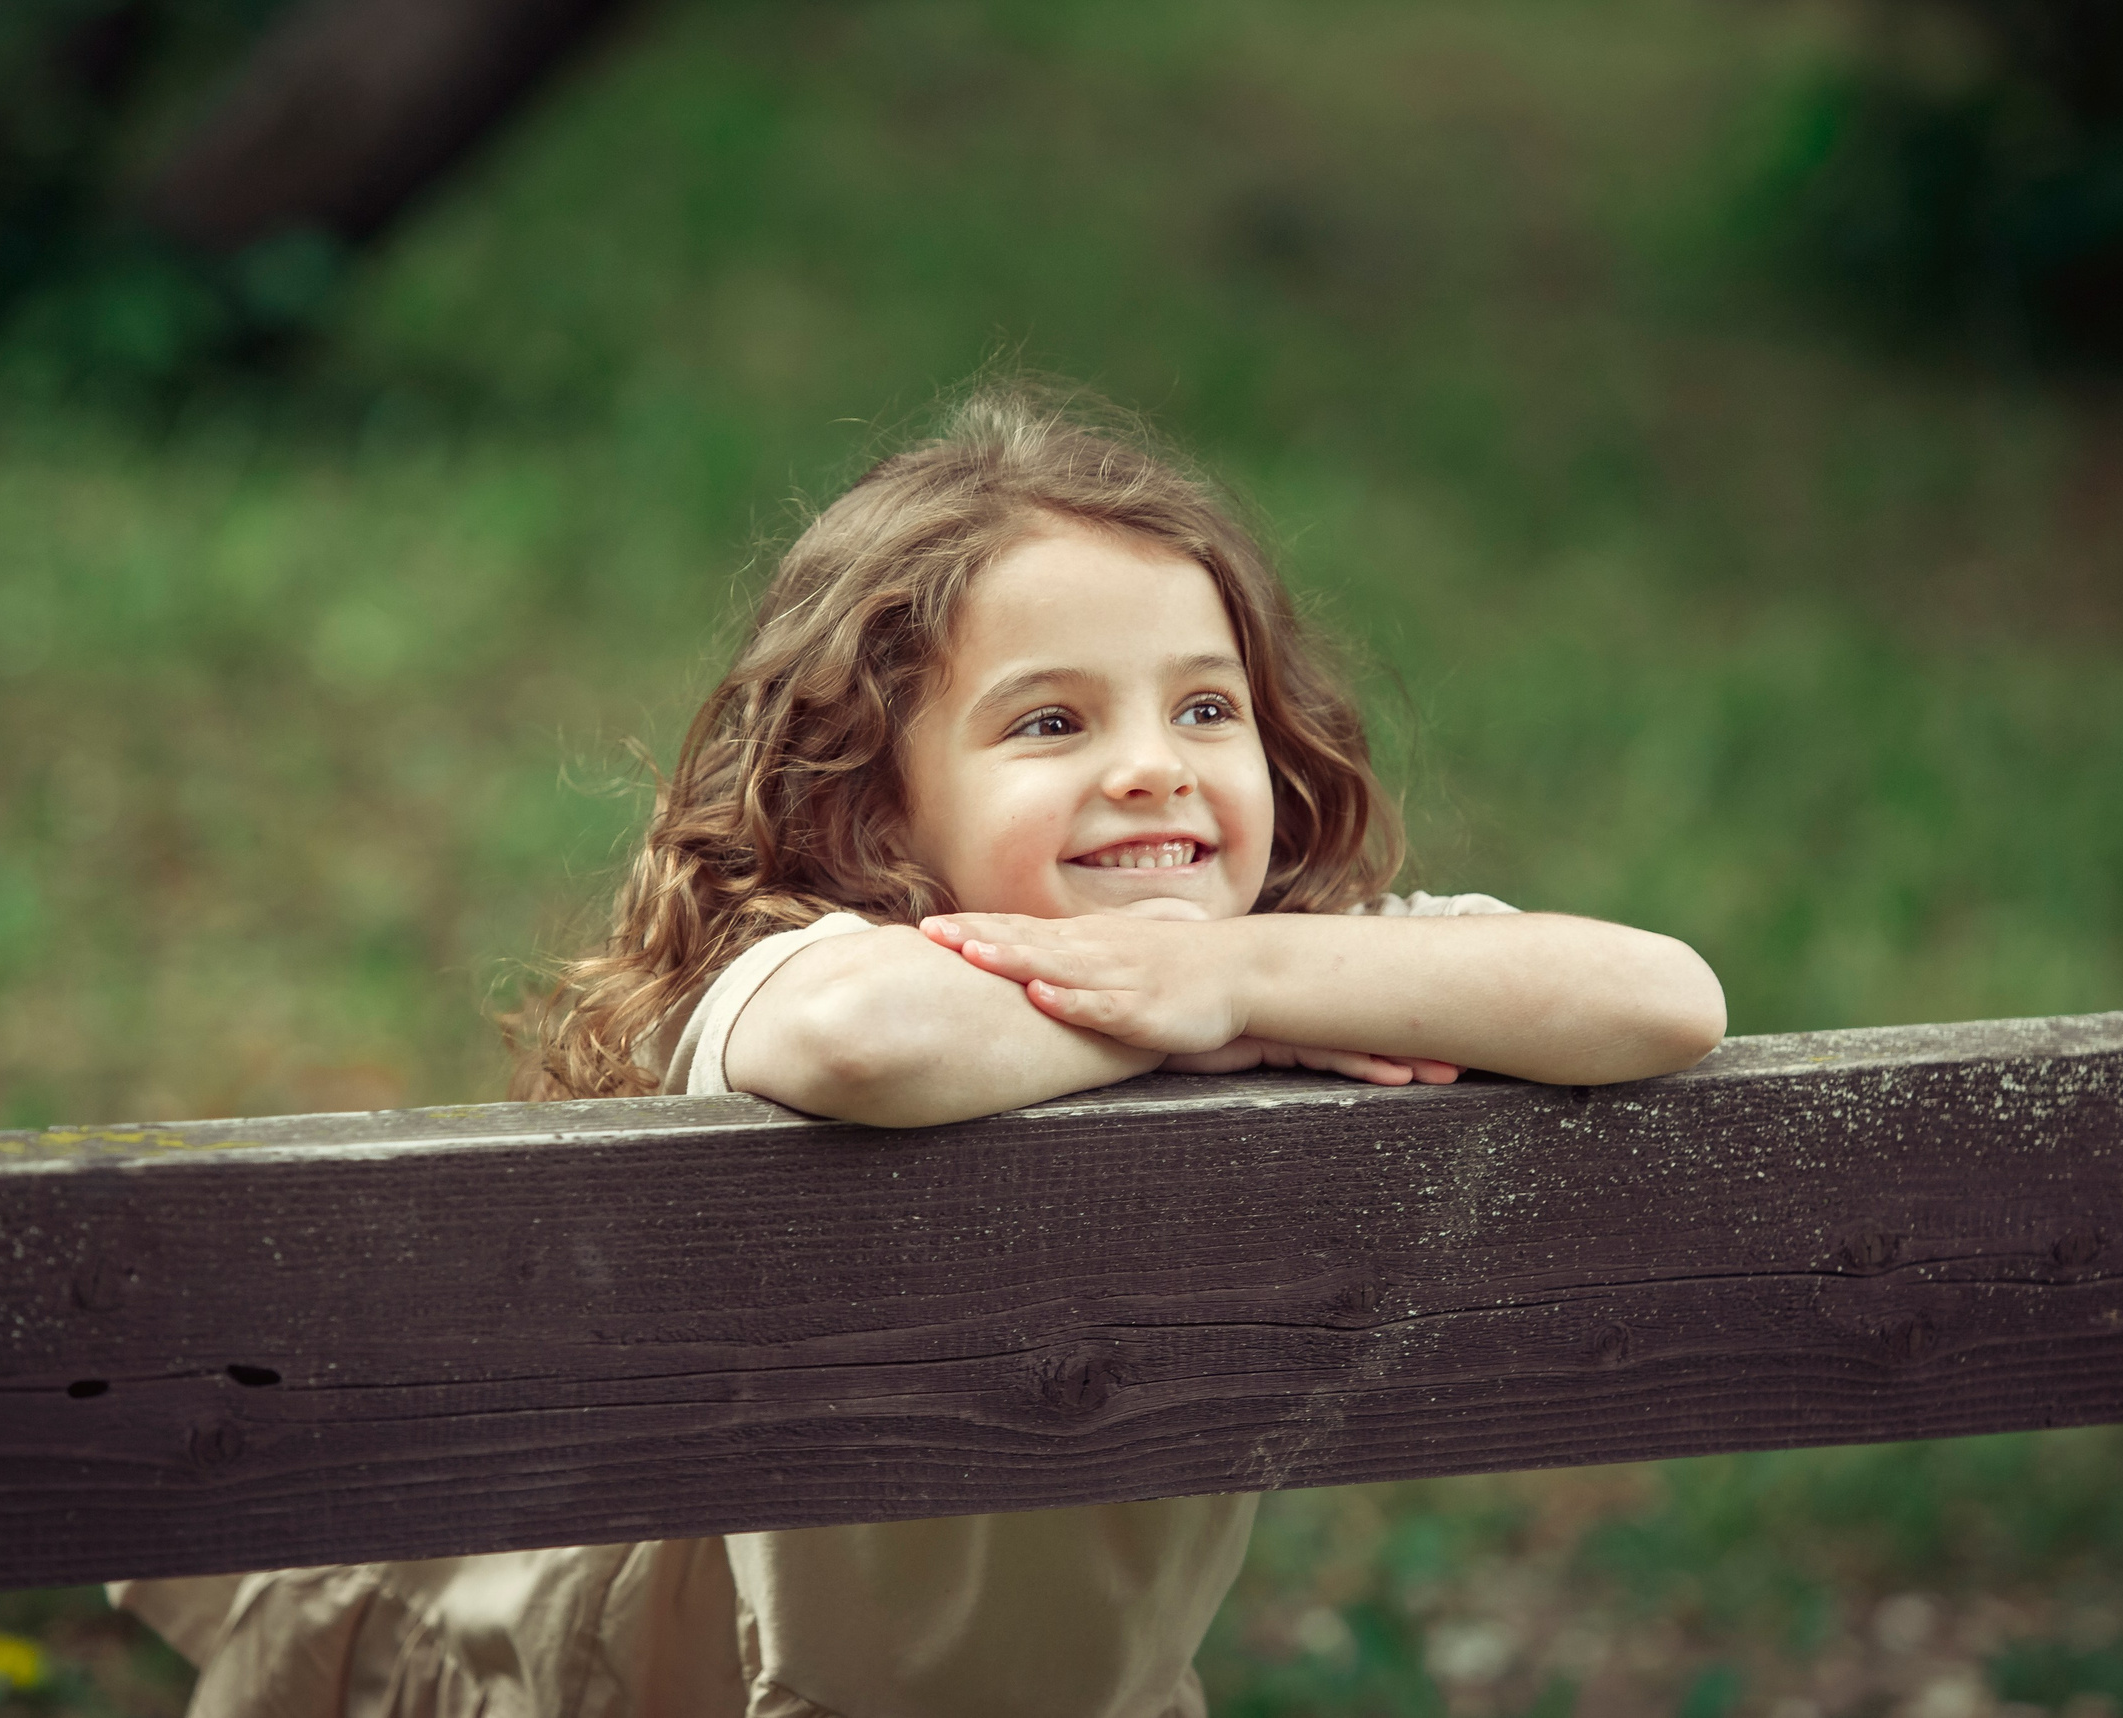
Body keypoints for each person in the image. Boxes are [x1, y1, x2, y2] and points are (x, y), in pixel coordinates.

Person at [112, 383, 1725, 1718]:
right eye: (1050, 722)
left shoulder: (1279, 959)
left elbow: (1662, 996)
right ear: (875, 803)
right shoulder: (816, 955)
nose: (1153, 770)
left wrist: (1237, 980)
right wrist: (1198, 1004)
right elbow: (865, 1041)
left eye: (1207, 709)